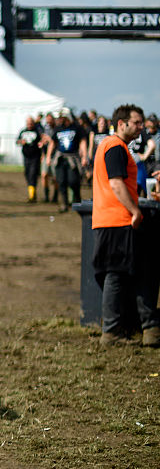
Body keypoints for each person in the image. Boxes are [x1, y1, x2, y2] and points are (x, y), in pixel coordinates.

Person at [91, 104, 160, 347]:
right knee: (116, 275)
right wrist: (134, 210)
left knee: (133, 272)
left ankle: (146, 328)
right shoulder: (115, 146)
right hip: (117, 220)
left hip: (111, 219)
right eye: (137, 123)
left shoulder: (113, 146)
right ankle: (111, 332)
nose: (141, 128)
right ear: (122, 124)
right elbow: (116, 183)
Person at [46, 109, 87, 211]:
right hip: (60, 159)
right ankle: (64, 204)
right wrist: (48, 156)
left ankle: (77, 200)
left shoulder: (76, 127)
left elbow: (82, 141)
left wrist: (84, 156)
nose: (59, 120)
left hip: (72, 158)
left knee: (73, 181)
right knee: (61, 181)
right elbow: (52, 143)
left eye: (61, 118)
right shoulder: (58, 129)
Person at [17, 116, 46, 202]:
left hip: (35, 157)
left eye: (31, 123)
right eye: (28, 123)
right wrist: (21, 142)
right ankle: (32, 192)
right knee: (27, 174)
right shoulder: (23, 131)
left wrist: (41, 144)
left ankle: (32, 196)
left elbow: (43, 139)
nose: (29, 125)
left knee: (33, 174)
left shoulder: (37, 131)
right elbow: (17, 141)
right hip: (26, 157)